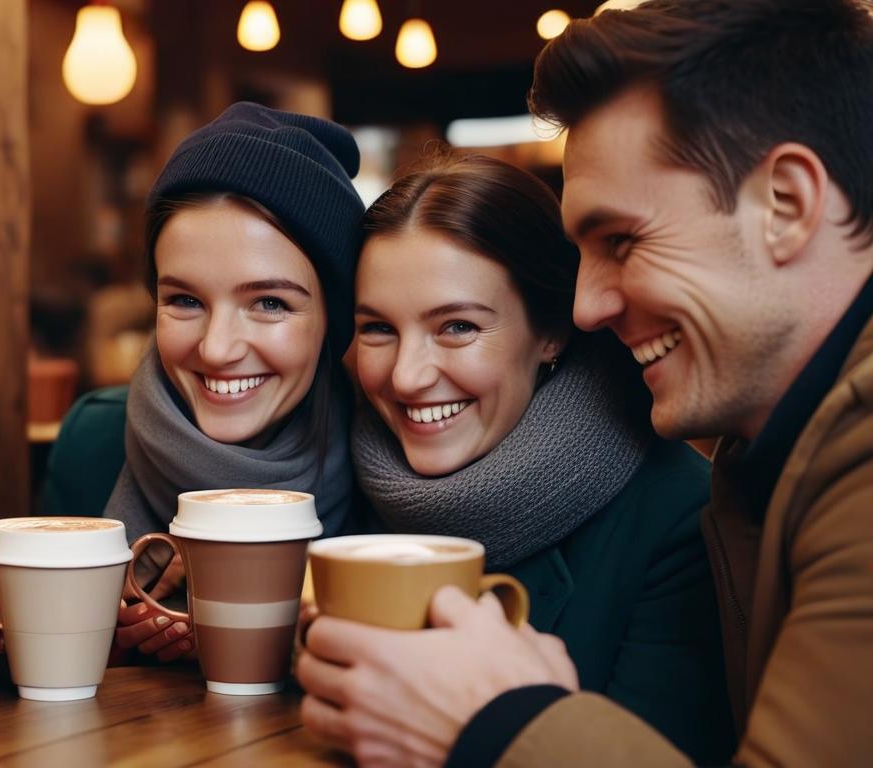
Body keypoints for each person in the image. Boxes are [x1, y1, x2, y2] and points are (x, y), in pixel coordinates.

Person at [295, 1, 873, 765]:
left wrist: (502, 718)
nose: (589, 304)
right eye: (377, 326)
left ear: (788, 205)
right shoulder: (765, 455)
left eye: (622, 240)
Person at [343, 149, 733, 763]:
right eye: (377, 329)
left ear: (551, 331)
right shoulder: (335, 482)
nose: (408, 376)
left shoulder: (678, 519)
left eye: (457, 327)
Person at [31, 102, 366, 663]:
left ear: (335, 317)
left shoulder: (385, 462)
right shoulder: (92, 441)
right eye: (185, 300)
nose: (216, 348)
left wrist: (264, 607)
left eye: (268, 303)